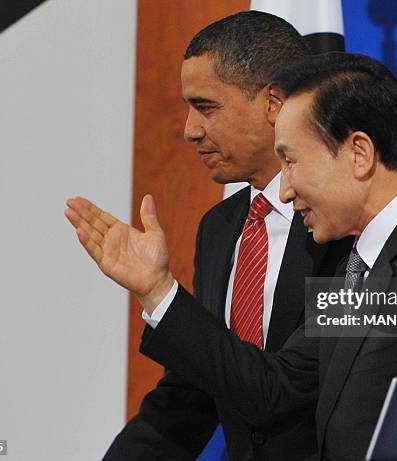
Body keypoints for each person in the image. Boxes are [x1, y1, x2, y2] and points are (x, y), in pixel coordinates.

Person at [65, 53, 397, 460]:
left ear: (359, 154)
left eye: (291, 161)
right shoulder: (364, 261)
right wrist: (156, 289)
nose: (284, 190)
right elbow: (281, 384)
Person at [85, 11, 349, 461]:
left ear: (274, 103)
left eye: (206, 107)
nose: (190, 130)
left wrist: (160, 292)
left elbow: (282, 391)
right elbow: (195, 392)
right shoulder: (221, 227)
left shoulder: (348, 223)